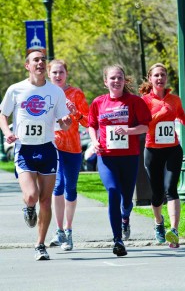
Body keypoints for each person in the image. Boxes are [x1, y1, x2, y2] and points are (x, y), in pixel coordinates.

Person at [0, 50, 71, 261]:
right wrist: (7, 132)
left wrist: (67, 122)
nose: (40, 63)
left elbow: (63, 122)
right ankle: (29, 207)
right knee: (31, 195)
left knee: (46, 200)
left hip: (48, 148)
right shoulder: (16, 90)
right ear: (27, 66)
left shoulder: (56, 92)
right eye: (36, 60)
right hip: (25, 149)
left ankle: (40, 245)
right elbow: (3, 114)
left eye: (42, 60)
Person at [88, 64, 152, 256]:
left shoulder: (134, 101)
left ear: (124, 81)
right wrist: (94, 141)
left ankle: (125, 218)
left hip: (129, 157)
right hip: (106, 157)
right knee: (113, 192)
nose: (116, 81)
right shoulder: (98, 102)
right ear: (105, 81)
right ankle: (118, 240)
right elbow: (91, 125)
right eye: (112, 78)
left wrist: (128, 130)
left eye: (119, 78)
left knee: (126, 200)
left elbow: (145, 128)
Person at [139, 62, 185, 248]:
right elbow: (143, 124)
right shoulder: (145, 101)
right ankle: (158, 223)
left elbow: (181, 115)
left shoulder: (174, 99)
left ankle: (174, 230)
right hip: (153, 150)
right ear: (150, 79)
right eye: (156, 75)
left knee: (171, 188)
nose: (160, 78)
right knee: (157, 193)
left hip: (172, 149)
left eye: (162, 75)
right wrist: (159, 114)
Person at [47, 59, 89, 251]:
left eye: (61, 72)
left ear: (67, 74)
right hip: (52, 145)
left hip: (72, 148)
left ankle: (69, 229)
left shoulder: (76, 93)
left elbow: (88, 122)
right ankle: (59, 230)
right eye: (54, 72)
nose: (58, 76)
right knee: (58, 185)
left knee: (70, 188)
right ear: (49, 74)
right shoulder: (44, 92)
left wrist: (76, 112)